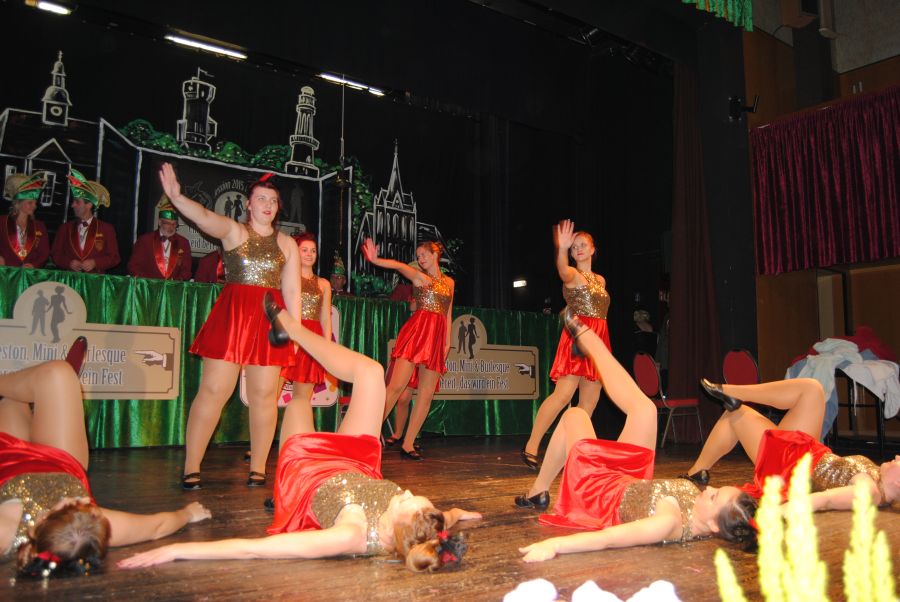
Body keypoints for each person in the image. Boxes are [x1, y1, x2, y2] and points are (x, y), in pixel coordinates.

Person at [118, 297, 480, 572]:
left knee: (298, 403)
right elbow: (442, 519)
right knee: (371, 372)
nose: (408, 493)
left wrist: (176, 550)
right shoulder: (422, 522)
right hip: (357, 464)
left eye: (405, 501)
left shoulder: (349, 535)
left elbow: (254, 550)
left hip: (307, 471)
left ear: (397, 528)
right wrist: (456, 513)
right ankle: (291, 328)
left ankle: (291, 344)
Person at [515, 311, 757, 563]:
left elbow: (609, 538)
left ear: (714, 526)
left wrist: (555, 545)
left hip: (599, 492)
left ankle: (538, 490)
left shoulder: (667, 523)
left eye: (714, 497)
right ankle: (591, 344)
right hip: (629, 479)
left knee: (575, 415)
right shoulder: (704, 514)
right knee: (646, 410)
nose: (709, 489)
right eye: (718, 489)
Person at [0, 340, 211, 578]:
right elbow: (157, 527)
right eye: (87, 504)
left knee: (12, 400)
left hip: (6, 454)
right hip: (59, 459)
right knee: (59, 373)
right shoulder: (95, 527)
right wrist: (188, 514)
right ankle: (39, 398)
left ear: (43, 519)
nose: (83, 497)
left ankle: (24, 397)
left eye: (73, 502)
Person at [157, 163, 301, 489]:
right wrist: (177, 198)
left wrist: (293, 332)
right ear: (248, 204)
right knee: (213, 391)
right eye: (261, 198)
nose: (267, 204)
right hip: (234, 317)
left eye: (272, 200)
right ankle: (192, 465)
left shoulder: (287, 243)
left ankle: (258, 468)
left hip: (269, 321)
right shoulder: (235, 231)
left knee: (265, 396)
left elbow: (292, 291)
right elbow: (204, 216)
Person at [685, 378, 900, 511]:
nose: (898, 456)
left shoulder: (870, 491)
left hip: (793, 468)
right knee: (812, 390)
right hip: (809, 453)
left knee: (736, 414)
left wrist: (782, 512)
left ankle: (695, 473)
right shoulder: (876, 478)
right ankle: (697, 472)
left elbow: (824, 500)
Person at [522, 220, 611, 470]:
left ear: (593, 249)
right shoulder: (572, 275)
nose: (578, 249)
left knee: (589, 403)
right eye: (574, 247)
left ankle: (574, 452)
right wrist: (561, 249)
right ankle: (531, 445)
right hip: (579, 338)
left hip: (598, 340)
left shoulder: (601, 280)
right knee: (562, 396)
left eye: (583, 245)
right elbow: (562, 270)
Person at [362, 239, 454, 461]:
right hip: (417, 333)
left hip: (436, 338)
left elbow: (448, 314)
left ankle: (409, 443)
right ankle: (367, 437)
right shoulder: (420, 277)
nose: (420, 259)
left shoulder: (450, 282)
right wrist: (375, 260)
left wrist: (447, 343)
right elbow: (399, 266)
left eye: (424, 254)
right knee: (395, 387)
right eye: (418, 256)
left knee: (426, 394)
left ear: (435, 254)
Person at [278, 232, 331, 443]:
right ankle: (259, 446)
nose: (309, 254)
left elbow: (325, 318)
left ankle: (297, 441)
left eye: (313, 251)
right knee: (269, 395)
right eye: (304, 250)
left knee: (301, 399)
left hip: (312, 340)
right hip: (289, 336)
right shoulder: (284, 277)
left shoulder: (324, 284)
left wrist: (326, 349)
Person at [51, 169, 120, 274]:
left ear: (89, 205)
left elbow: (114, 257)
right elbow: (55, 254)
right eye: (73, 202)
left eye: (77, 202)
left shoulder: (106, 229)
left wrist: (95, 262)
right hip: (70, 279)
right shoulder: (65, 228)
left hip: (95, 281)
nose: (72, 205)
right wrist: (69, 263)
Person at [127, 198, 192, 280]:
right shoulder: (145, 240)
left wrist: (178, 280)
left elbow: (186, 270)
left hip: (173, 286)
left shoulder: (183, 242)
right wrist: (147, 281)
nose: (171, 227)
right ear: (160, 222)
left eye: (174, 224)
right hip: (149, 286)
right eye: (167, 223)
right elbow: (133, 266)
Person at [0, 173, 50, 268]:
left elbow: (44, 253)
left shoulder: (39, 226)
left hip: (29, 274)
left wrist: (33, 264)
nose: (34, 206)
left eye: (35, 203)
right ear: (18, 204)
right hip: (5, 272)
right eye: (30, 203)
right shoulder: (2, 222)